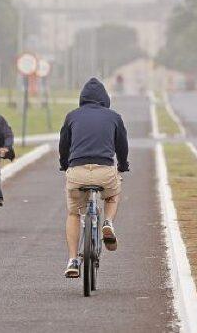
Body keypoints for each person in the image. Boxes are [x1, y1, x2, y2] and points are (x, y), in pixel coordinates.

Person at [59, 78, 129, 278]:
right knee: (112, 194)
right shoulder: (114, 117)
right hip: (104, 171)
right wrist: (123, 166)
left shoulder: (72, 116)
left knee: (74, 213)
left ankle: (73, 259)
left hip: (77, 172)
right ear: (105, 99)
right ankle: (107, 222)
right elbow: (122, 147)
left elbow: (63, 145)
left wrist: (65, 165)